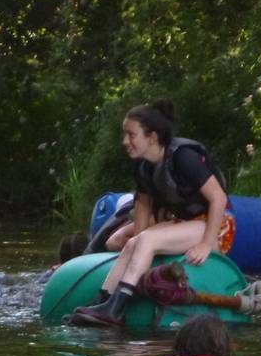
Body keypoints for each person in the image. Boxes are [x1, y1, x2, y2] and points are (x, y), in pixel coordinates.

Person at [69, 99, 233, 327]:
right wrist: (139, 245)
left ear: (152, 137)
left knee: (146, 240)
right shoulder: (142, 166)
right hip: (186, 224)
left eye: (131, 135)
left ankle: (115, 310)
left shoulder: (184, 157)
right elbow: (143, 206)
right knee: (134, 242)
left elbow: (218, 198)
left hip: (217, 227)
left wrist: (207, 244)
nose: (125, 141)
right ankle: (103, 301)